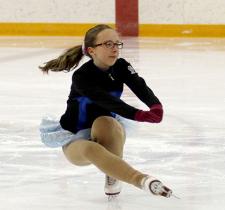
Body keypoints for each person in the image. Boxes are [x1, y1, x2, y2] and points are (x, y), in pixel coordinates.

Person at [39, 24, 172, 198]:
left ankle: (112, 174)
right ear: (92, 50)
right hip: (75, 136)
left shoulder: (121, 66)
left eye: (117, 44)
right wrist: (138, 114)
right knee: (90, 149)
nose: (115, 49)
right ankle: (142, 180)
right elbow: (108, 101)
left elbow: (140, 86)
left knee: (107, 121)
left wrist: (155, 105)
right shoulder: (82, 76)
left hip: (104, 130)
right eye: (108, 44)